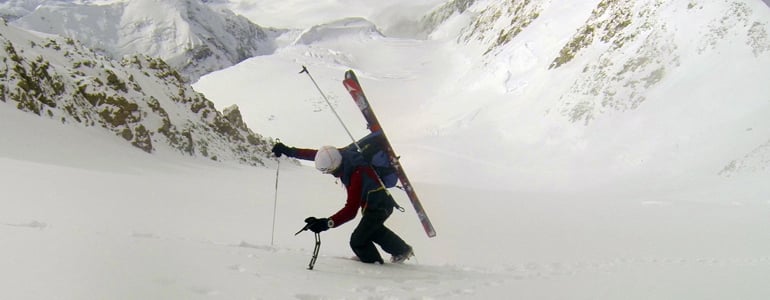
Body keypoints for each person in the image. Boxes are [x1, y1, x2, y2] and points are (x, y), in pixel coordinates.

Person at [272, 142, 414, 264]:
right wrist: (288, 151)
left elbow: (351, 210)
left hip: (379, 207)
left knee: (358, 241)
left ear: (334, 168)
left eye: (328, 171)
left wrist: (326, 223)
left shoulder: (356, 174)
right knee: (372, 231)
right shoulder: (342, 155)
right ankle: (402, 250)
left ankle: (373, 264)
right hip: (378, 204)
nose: (329, 174)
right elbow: (314, 155)